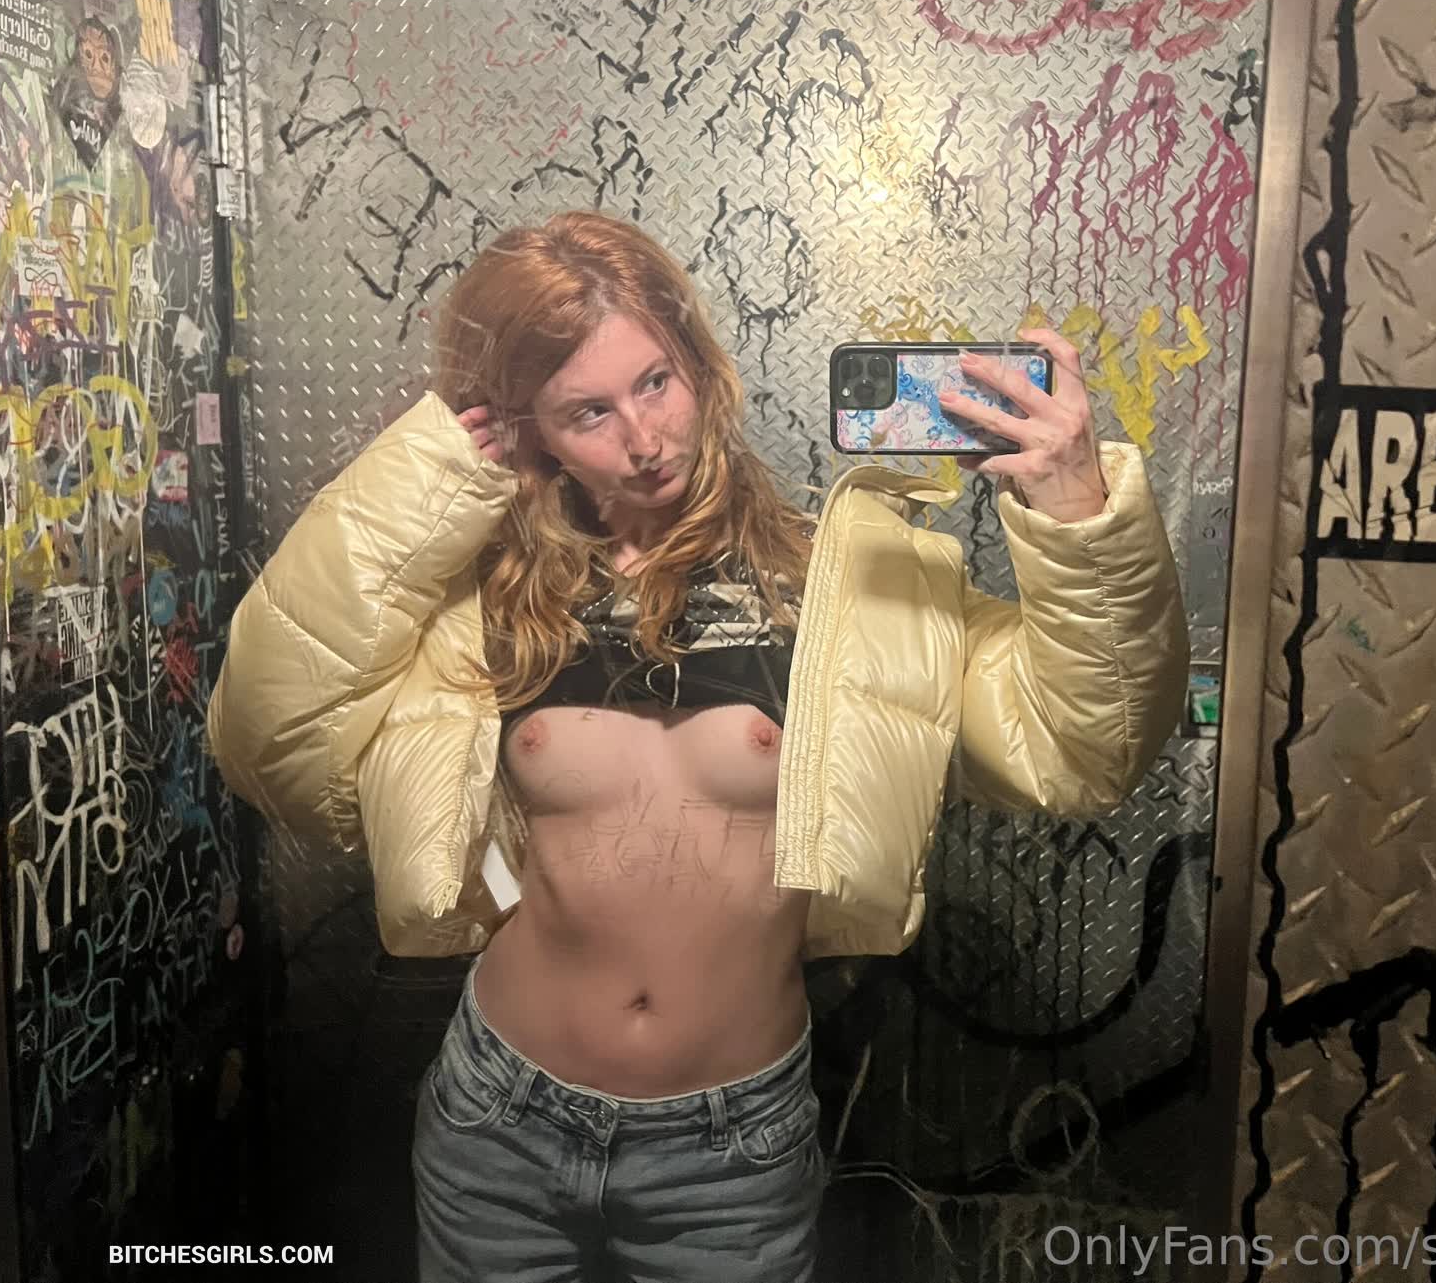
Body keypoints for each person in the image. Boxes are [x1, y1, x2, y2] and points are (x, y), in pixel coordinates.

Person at [205, 212, 1187, 1281]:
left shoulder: (842, 585)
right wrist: (426, 480)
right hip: (499, 1116)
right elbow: (266, 737)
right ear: (529, 428)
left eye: (655, 383)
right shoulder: (479, 599)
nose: (642, 439)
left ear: (700, 368)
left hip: (734, 1150)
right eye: (588, 410)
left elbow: (1085, 746)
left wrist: (1078, 513)